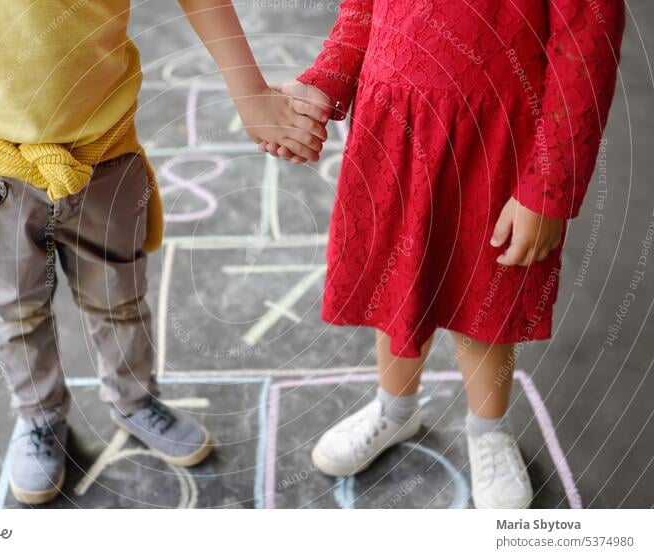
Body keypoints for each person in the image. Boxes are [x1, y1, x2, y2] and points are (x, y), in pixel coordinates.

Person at [0, 0, 327, 504]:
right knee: (14, 307)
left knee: (119, 295)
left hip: (103, 151)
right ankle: (40, 418)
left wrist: (251, 95)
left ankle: (135, 401)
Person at [260, 0, 624, 508]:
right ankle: (395, 407)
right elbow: (363, 7)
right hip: (392, 126)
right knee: (397, 280)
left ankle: (487, 429)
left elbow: (585, 46)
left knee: (484, 290)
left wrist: (548, 186)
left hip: (496, 137)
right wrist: (324, 81)